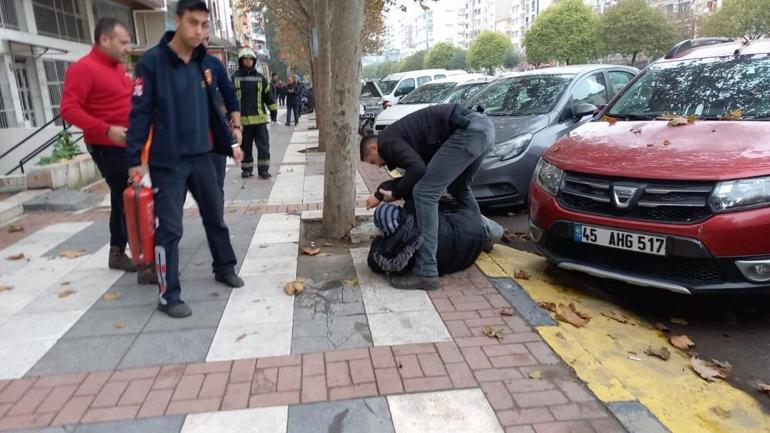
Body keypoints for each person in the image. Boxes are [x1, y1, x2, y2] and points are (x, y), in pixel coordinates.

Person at [125, 0, 244, 318]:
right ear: (177, 20)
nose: (200, 30)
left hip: (203, 156)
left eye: (205, 25)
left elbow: (213, 107)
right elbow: (138, 115)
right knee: (171, 230)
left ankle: (225, 266)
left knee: (215, 218)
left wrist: (232, 139)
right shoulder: (151, 63)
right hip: (168, 162)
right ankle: (168, 295)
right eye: (193, 22)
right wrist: (135, 158)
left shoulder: (203, 62)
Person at [61, 17, 157, 284]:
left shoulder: (117, 69)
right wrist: (106, 129)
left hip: (130, 144)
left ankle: (118, 251)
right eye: (123, 42)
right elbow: (68, 109)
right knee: (131, 197)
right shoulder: (83, 69)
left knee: (122, 197)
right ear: (105, 39)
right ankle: (145, 262)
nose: (127, 47)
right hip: (106, 146)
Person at [360, 103, 495, 290]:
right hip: (483, 128)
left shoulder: (388, 142)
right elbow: (415, 175)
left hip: (468, 131)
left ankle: (426, 271)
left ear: (374, 148)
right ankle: (483, 236)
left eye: (374, 162)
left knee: (424, 193)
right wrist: (383, 193)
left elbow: (417, 169)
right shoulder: (399, 138)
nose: (379, 166)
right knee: (459, 187)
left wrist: (395, 194)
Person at [367, 199, 510, 276]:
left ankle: (491, 239)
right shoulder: (416, 212)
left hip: (467, 255)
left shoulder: (395, 250)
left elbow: (374, 261)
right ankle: (502, 233)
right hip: (470, 226)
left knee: (472, 233)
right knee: (476, 223)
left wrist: (380, 241)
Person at [232, 48, 277, 179]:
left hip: (260, 120)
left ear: (254, 61)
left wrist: (273, 111)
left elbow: (268, 96)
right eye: (245, 59)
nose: (248, 61)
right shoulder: (235, 78)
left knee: (263, 147)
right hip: (243, 121)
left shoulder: (260, 78)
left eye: (250, 59)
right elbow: (230, 98)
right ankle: (246, 169)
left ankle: (263, 170)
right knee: (245, 147)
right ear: (241, 61)